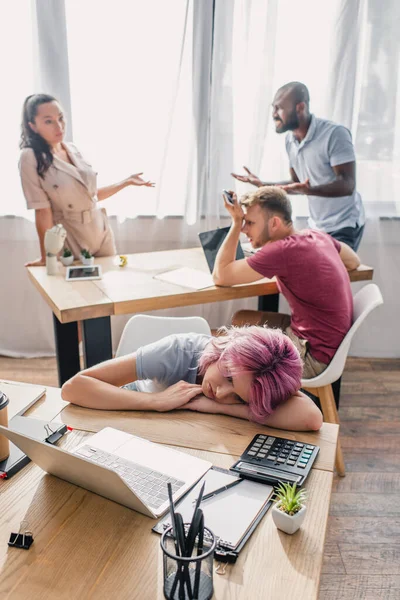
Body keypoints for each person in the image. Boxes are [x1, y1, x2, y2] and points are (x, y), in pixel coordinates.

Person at [212, 186, 361, 379]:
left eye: (249, 222)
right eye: (243, 222)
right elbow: (353, 260)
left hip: (310, 357)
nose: (244, 229)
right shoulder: (315, 236)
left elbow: (220, 276)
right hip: (327, 347)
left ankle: (253, 398)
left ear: (274, 223)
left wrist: (235, 221)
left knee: (220, 346)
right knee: (242, 319)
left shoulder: (282, 251)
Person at [61, 326, 323, 431]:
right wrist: (156, 402)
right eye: (229, 378)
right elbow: (73, 388)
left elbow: (311, 418)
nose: (221, 393)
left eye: (238, 398)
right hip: (133, 415)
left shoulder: (257, 381)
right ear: (226, 348)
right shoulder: (178, 351)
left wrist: (216, 407)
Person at [19, 94, 155, 266]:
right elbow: (42, 211)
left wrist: (125, 182)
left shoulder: (73, 149)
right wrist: (48, 257)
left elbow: (89, 196)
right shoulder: (30, 157)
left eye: (61, 118)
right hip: (71, 236)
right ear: (33, 126)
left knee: (108, 289)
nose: (59, 126)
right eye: (48, 121)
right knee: (78, 291)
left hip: (100, 231)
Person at [232, 81, 365, 251]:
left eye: (279, 108)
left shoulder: (334, 134)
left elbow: (347, 185)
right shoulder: (290, 140)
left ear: (300, 108)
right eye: (273, 108)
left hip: (344, 224)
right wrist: (263, 185)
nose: (273, 114)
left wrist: (308, 190)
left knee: (330, 273)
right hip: (317, 226)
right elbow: (295, 183)